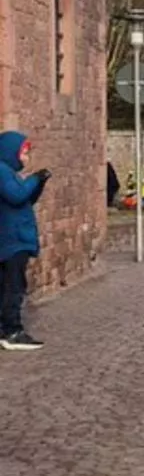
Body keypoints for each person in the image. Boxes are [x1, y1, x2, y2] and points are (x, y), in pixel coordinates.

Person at [0, 131, 51, 351]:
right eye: (24, 153)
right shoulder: (2, 171)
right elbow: (17, 196)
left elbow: (26, 198)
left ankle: (6, 329)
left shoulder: (9, 172)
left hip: (15, 238)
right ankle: (12, 330)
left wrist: (39, 184)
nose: (27, 158)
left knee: (8, 285)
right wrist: (34, 179)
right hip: (12, 239)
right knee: (14, 286)